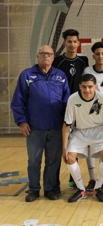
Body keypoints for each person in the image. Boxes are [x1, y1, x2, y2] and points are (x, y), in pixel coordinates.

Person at [11, 45, 70, 202]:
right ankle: (34, 190)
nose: (46, 56)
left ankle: (50, 189)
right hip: (34, 128)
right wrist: (22, 121)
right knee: (34, 161)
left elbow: (67, 101)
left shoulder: (61, 76)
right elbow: (18, 101)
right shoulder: (27, 75)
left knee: (53, 161)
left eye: (49, 54)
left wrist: (67, 123)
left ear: (53, 57)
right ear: (37, 56)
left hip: (56, 128)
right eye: (43, 53)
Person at [62, 74, 103, 203]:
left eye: (90, 87)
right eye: (84, 87)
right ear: (80, 87)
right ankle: (81, 190)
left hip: (100, 130)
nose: (87, 90)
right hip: (79, 131)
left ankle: (97, 189)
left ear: (96, 87)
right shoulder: (73, 99)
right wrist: (64, 148)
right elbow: (66, 125)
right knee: (70, 158)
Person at [53, 29, 93, 189]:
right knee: (61, 145)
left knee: (75, 142)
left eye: (75, 41)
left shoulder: (83, 61)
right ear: (64, 43)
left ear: (79, 43)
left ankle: (73, 178)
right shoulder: (57, 61)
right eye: (69, 41)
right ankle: (54, 182)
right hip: (61, 107)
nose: (72, 44)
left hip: (79, 108)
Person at [82, 42, 103, 191]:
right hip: (90, 113)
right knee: (90, 145)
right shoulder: (87, 71)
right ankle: (91, 178)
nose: (100, 56)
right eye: (97, 54)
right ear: (93, 56)